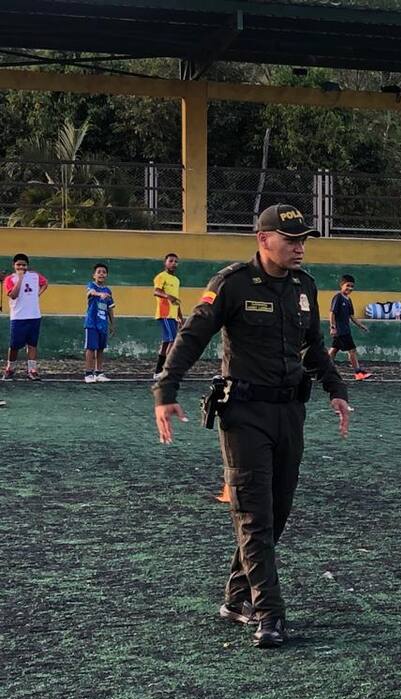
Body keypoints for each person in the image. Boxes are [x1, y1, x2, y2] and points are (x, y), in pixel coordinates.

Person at [152, 204, 352, 649]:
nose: (299, 247)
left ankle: (236, 597)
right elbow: (192, 336)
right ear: (263, 239)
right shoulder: (232, 283)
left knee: (276, 513)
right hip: (243, 415)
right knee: (253, 515)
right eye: (290, 239)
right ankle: (269, 613)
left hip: (289, 413)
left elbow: (313, 346)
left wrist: (335, 389)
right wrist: (166, 391)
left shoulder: (305, 286)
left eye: (303, 240)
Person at [3, 253, 48, 381]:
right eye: (18, 265)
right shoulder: (10, 279)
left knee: (32, 344)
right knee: (14, 345)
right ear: (14, 266)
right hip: (18, 316)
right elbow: (13, 295)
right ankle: (10, 368)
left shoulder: (35, 276)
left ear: (27, 265)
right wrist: (20, 279)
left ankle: (32, 369)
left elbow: (45, 283)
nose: (21, 267)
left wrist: (37, 294)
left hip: (34, 315)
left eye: (24, 265)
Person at [327, 274, 372, 380]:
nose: (350, 288)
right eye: (348, 285)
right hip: (341, 331)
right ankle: (358, 372)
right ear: (341, 285)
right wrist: (333, 327)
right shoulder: (338, 297)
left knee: (334, 350)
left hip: (346, 330)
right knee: (352, 350)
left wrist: (361, 325)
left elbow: (351, 316)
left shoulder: (348, 300)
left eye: (352, 286)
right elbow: (332, 313)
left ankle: (324, 368)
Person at [84, 263, 116, 383]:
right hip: (92, 322)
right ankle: (88, 373)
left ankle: (99, 372)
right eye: (99, 272)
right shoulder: (91, 285)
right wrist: (99, 294)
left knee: (101, 348)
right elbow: (90, 293)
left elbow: (110, 308)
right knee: (90, 348)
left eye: (104, 272)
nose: (101, 274)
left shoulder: (108, 291)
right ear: (94, 275)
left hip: (103, 323)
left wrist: (112, 324)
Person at [153, 252, 182, 379]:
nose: (173, 263)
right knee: (173, 340)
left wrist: (180, 315)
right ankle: (167, 369)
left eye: (175, 261)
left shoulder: (176, 280)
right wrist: (167, 296)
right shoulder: (161, 276)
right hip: (164, 313)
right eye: (170, 261)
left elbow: (176, 299)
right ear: (165, 263)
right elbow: (156, 291)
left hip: (173, 314)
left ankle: (158, 371)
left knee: (166, 342)